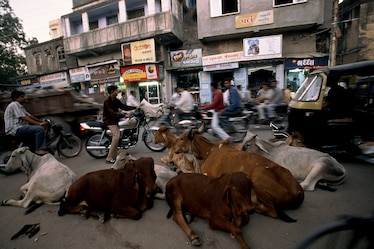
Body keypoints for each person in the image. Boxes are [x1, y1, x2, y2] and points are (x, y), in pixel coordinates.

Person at [4, 90, 49, 155]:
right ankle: (39, 149)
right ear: (16, 98)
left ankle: (33, 150)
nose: (24, 98)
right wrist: (39, 124)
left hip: (20, 128)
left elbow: (29, 116)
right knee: (39, 129)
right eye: (22, 97)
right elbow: (23, 117)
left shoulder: (19, 106)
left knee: (37, 130)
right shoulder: (14, 104)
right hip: (15, 129)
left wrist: (41, 121)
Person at [103, 85, 136, 164]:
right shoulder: (107, 101)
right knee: (116, 137)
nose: (117, 92)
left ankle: (114, 154)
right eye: (116, 90)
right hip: (110, 121)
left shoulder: (115, 100)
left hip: (115, 119)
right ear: (112, 92)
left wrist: (135, 108)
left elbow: (123, 106)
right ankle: (109, 157)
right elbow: (112, 113)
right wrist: (124, 115)